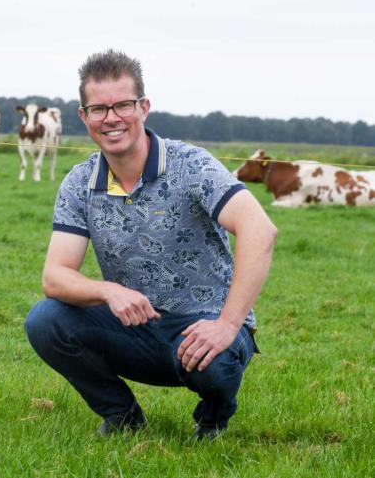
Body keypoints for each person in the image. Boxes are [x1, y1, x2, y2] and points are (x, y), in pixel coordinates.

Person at [24, 49, 277, 440]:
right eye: (98, 109)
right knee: (45, 320)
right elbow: (55, 277)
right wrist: (109, 291)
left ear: (143, 107)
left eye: (122, 105)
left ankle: (212, 420)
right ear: (83, 116)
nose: (111, 118)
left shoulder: (191, 165)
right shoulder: (80, 182)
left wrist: (228, 324)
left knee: (216, 363)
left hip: (204, 325)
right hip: (136, 329)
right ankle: (123, 418)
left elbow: (259, 230)